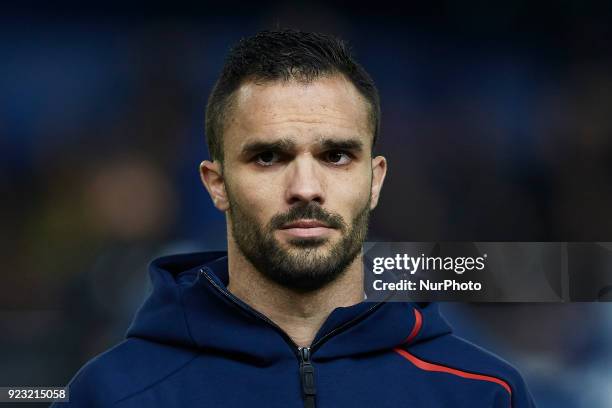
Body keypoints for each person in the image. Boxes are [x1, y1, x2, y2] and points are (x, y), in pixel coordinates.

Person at [53, 29, 536, 407]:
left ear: (376, 180)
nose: (305, 187)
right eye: (268, 157)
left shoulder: (484, 393)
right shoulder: (109, 395)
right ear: (215, 184)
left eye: (337, 156)